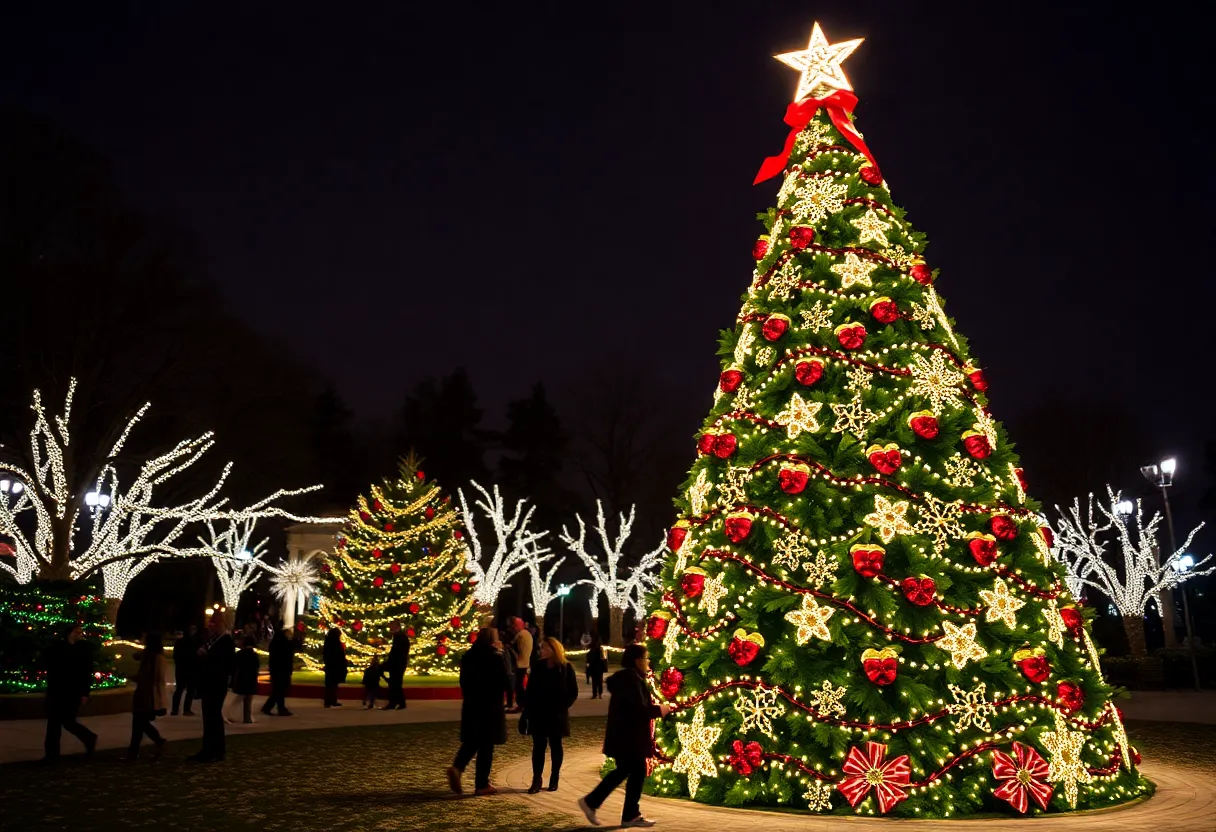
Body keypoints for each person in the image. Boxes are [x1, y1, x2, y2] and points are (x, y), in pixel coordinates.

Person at [577, 644, 670, 828]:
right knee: (629, 772)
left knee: (630, 772)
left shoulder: (629, 678)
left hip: (625, 737)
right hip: (629, 738)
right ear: (637, 660)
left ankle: (626, 813)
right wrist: (661, 709)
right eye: (645, 658)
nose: (648, 662)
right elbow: (638, 710)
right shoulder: (630, 680)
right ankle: (594, 803)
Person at [446, 628, 511, 796]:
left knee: (473, 741)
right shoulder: (494, 657)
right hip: (490, 707)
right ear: (492, 640)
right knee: (486, 745)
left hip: (472, 705)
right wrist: (501, 654)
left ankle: (458, 767)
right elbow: (506, 681)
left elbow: (463, 682)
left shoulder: (469, 656)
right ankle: (481, 783)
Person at [522, 637, 579, 793]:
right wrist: (526, 713)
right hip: (538, 713)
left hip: (556, 714)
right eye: (542, 648)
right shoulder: (538, 666)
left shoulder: (565, 668)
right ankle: (536, 779)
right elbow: (531, 691)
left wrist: (562, 706)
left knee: (556, 745)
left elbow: (572, 692)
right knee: (538, 747)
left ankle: (554, 778)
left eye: (545, 648)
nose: (542, 651)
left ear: (554, 649)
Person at [42, 622, 98, 762]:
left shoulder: (83, 650)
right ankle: (51, 755)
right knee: (54, 724)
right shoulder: (57, 648)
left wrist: (85, 692)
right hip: (57, 690)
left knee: (67, 721)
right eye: (76, 632)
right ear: (69, 633)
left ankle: (88, 737)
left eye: (80, 632)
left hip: (72, 692)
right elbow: (52, 668)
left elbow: (86, 672)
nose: (79, 635)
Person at [190, 613, 234, 763]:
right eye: (210, 622)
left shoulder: (225, 640)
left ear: (222, 624)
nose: (210, 625)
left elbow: (222, 662)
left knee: (213, 717)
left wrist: (205, 656)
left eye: (214, 623)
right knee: (210, 718)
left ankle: (213, 750)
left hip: (216, 684)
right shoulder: (212, 639)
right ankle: (212, 749)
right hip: (209, 683)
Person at [126, 633, 168, 761]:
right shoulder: (148, 656)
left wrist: (135, 677)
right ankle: (134, 752)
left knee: (140, 723)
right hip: (144, 693)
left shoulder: (156, 658)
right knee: (139, 723)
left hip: (148, 695)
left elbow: (156, 679)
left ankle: (156, 741)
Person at [261, 626, 295, 716]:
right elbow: (288, 654)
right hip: (282, 670)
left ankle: (278, 708)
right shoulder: (283, 643)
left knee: (279, 690)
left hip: (277, 670)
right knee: (280, 690)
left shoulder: (276, 643)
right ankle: (272, 707)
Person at [226, 636, 259, 724]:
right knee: (248, 699)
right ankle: (247, 717)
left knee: (240, 698)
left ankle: (233, 715)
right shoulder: (253, 655)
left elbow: (234, 666)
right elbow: (256, 667)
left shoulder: (240, 654)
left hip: (242, 678)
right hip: (250, 679)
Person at [171, 624, 198, 716]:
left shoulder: (179, 642)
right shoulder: (193, 643)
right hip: (190, 669)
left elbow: (175, 656)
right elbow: (195, 656)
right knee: (190, 689)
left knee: (179, 689)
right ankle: (186, 709)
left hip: (180, 668)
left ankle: (175, 709)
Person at [382, 620, 410, 710]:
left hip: (397, 663)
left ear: (396, 626)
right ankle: (400, 703)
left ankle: (393, 703)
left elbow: (397, 652)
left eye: (391, 626)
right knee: (396, 683)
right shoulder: (400, 636)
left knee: (395, 683)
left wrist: (389, 662)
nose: (390, 628)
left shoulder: (399, 637)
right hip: (399, 663)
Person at [507, 617, 532, 713]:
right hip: (526, 662)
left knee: (518, 686)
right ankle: (523, 704)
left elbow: (514, 648)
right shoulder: (527, 634)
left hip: (520, 663)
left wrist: (509, 647)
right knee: (520, 685)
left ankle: (521, 704)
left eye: (514, 625)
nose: (513, 628)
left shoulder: (520, 635)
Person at [323, 627, 348, 708]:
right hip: (333, 665)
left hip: (332, 665)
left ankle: (331, 700)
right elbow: (337, 654)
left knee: (332, 684)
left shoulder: (330, 641)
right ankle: (329, 701)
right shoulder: (333, 643)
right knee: (331, 684)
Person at [586, 634, 608, 699]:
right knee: (598, 681)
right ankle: (598, 694)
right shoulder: (600, 649)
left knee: (595, 681)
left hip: (595, 666)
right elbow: (604, 658)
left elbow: (589, 657)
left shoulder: (595, 649)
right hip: (598, 666)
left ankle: (596, 694)